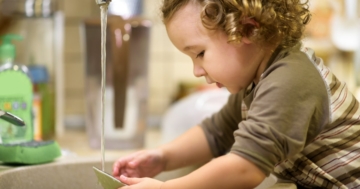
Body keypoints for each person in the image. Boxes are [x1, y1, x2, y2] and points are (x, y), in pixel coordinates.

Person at [112, 0, 360, 188]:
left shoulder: (290, 80)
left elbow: (245, 168)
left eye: (199, 54)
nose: (197, 71)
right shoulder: (260, 81)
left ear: (247, 30)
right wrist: (162, 157)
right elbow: (217, 132)